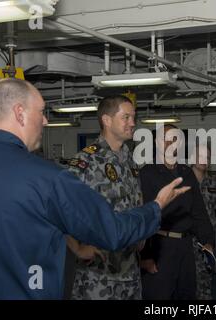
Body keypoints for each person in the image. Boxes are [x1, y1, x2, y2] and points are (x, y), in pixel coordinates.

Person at [0, 78, 189, 299]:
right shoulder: (48, 178)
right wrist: (157, 206)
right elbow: (111, 231)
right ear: (20, 113)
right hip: (88, 279)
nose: (45, 121)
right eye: (41, 112)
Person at [66, 95, 145, 300]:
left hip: (131, 271)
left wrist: (141, 235)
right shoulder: (85, 161)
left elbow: (136, 203)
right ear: (106, 120)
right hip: (99, 276)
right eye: (126, 117)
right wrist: (78, 249)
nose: (133, 123)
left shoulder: (131, 162)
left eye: (133, 117)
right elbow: (60, 208)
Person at [139, 124, 215, 299]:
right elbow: (144, 217)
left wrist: (208, 241)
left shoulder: (186, 173)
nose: (170, 144)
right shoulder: (147, 174)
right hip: (160, 248)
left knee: (187, 294)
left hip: (185, 248)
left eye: (175, 139)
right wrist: (145, 256)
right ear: (157, 143)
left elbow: (198, 212)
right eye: (166, 140)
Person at [191, 144, 216, 300]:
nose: (204, 159)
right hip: (190, 239)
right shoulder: (183, 181)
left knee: (207, 278)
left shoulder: (213, 182)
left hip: (209, 238)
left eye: (207, 157)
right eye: (200, 155)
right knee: (189, 279)